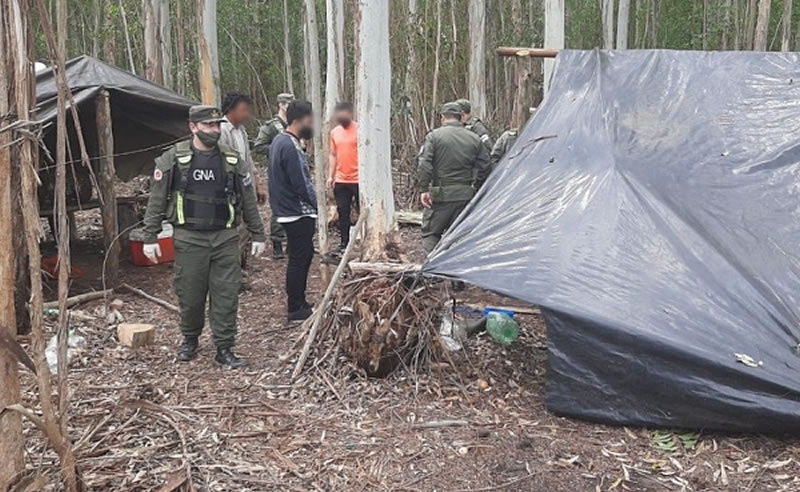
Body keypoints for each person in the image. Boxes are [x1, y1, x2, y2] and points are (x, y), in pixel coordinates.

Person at [142, 105, 266, 369]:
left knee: (226, 294)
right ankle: (190, 338)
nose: (214, 130)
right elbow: (156, 200)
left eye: (217, 125)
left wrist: (258, 233)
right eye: (209, 125)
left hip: (225, 238)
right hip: (189, 239)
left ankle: (225, 348)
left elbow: (248, 199)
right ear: (193, 127)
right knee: (190, 294)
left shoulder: (231, 159)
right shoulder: (174, 159)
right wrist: (149, 236)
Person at [418, 102, 491, 254]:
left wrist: (424, 189)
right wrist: (476, 188)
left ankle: (433, 266)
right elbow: (485, 166)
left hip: (440, 194)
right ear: (461, 117)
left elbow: (424, 164)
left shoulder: (434, 136)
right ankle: (459, 268)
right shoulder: (474, 138)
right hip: (466, 195)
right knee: (461, 237)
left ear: (442, 117)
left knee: (431, 234)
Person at [268, 100, 318, 322]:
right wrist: (318, 205)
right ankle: (296, 307)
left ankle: (300, 301)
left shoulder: (281, 141)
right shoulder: (289, 146)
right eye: (310, 120)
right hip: (297, 211)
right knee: (299, 259)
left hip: (289, 209)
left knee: (303, 255)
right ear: (299, 120)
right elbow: (301, 183)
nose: (312, 125)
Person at [219, 92, 265, 288]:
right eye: (243, 110)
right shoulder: (222, 130)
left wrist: (257, 183)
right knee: (234, 232)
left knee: (246, 230)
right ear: (231, 109)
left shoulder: (241, 130)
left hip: (245, 187)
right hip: (231, 191)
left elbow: (248, 160)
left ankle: (240, 268)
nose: (246, 114)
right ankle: (232, 277)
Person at [254, 93, 295, 259]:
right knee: (279, 207)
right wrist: (279, 148)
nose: (290, 107)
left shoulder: (294, 124)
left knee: (295, 207)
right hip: (278, 173)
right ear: (281, 105)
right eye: (287, 104)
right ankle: (277, 243)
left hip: (294, 172)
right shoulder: (271, 127)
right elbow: (258, 146)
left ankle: (292, 243)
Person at [326, 102, 359, 253]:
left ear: (350, 114)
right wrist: (330, 176)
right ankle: (344, 243)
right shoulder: (334, 132)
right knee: (342, 212)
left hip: (359, 179)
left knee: (362, 210)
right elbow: (333, 155)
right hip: (341, 180)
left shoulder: (360, 129)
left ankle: (364, 239)